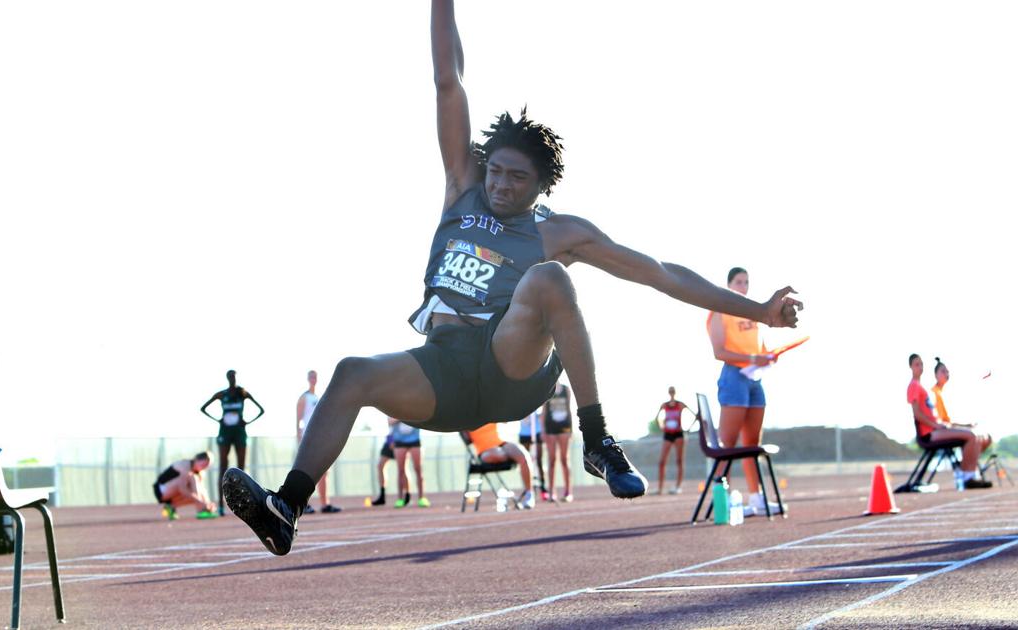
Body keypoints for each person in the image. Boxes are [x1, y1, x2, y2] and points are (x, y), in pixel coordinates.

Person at [221, 0, 802, 556]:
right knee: (351, 373)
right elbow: (448, 80)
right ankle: (286, 510)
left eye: (515, 179)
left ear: (539, 185)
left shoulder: (558, 232)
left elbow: (659, 274)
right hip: (445, 371)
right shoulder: (461, 192)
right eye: (495, 171)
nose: (500, 185)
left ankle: (597, 439)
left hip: (510, 366)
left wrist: (761, 312)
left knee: (550, 279)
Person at [707, 267, 789, 516]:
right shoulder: (719, 311)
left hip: (755, 380)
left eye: (747, 282)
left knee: (752, 444)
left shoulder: (753, 314)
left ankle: (757, 499)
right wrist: (753, 357)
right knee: (728, 445)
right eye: (739, 282)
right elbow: (719, 351)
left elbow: (758, 346)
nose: (744, 287)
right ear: (729, 285)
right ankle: (722, 500)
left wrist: (766, 356)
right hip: (733, 377)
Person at [910, 354, 991, 489]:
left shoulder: (925, 389)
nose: (920, 367)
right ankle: (966, 476)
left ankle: (967, 470)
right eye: (916, 364)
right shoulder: (919, 388)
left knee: (979, 436)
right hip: (930, 433)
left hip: (938, 429)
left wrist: (964, 425)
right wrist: (937, 426)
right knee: (972, 436)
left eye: (921, 364)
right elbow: (918, 414)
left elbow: (944, 420)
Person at [200, 369, 264, 514]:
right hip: (225, 432)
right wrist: (219, 420)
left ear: (236, 378)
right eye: (230, 376)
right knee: (223, 467)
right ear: (227, 378)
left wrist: (247, 422)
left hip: (239, 431)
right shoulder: (222, 394)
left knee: (241, 470)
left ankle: (243, 504)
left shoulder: (243, 393)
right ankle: (221, 505)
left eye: (234, 376)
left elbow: (261, 410)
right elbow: (203, 408)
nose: (232, 379)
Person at [932, 357, 994, 459]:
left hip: (946, 427)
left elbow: (947, 421)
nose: (946, 374)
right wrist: (964, 427)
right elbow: (941, 422)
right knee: (973, 435)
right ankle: (967, 469)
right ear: (935, 375)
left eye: (947, 371)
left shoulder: (941, 393)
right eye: (943, 371)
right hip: (940, 430)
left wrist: (965, 425)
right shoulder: (934, 393)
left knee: (985, 437)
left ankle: (969, 464)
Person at [298, 370, 341, 514]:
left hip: (320, 437)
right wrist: (299, 439)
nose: (313, 379)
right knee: (307, 472)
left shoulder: (319, 397)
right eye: (311, 376)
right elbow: (298, 421)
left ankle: (324, 504)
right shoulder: (304, 397)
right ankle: (304, 504)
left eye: (315, 376)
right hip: (308, 439)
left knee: (324, 472)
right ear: (307, 379)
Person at [468, 423, 536, 509]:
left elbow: (505, 421)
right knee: (499, 454)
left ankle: (529, 494)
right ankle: (506, 495)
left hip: (501, 444)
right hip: (484, 450)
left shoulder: (489, 411)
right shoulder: (467, 418)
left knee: (524, 456)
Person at [654, 386, 695, 495]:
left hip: (678, 434)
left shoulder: (680, 404)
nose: (671, 393)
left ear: (675, 393)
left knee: (679, 460)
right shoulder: (664, 405)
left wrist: (688, 428)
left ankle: (678, 487)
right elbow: (656, 418)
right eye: (670, 391)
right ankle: (660, 488)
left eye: (673, 391)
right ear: (668, 393)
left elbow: (695, 415)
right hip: (668, 434)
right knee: (662, 462)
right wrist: (661, 426)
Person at [153, 452, 217, 520]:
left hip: (175, 494)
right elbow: (182, 489)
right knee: (193, 480)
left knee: (197, 491)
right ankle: (201, 510)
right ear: (197, 460)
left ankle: (170, 507)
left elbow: (202, 490)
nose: (205, 467)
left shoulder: (200, 472)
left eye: (208, 465)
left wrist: (208, 503)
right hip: (162, 490)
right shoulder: (184, 465)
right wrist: (201, 503)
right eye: (205, 464)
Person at [542, 382, 574, 502]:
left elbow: (569, 409)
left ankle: (568, 492)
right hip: (550, 427)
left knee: (564, 459)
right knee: (551, 460)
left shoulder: (566, 390)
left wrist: (571, 429)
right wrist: (543, 430)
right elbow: (544, 411)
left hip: (564, 427)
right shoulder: (547, 388)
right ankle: (551, 492)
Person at [389, 418, 430, 507]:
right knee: (400, 471)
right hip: (399, 442)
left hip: (415, 440)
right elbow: (390, 422)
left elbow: (421, 419)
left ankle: (421, 498)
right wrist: (390, 441)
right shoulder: (394, 409)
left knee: (418, 469)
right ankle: (400, 499)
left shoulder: (413, 407)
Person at [516, 409, 548, 501]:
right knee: (524, 461)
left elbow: (542, 410)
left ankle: (543, 486)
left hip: (536, 431)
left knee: (539, 460)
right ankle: (527, 488)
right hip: (524, 433)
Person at [371, 433, 395, 506]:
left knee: (403, 468)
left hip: (404, 441)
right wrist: (390, 440)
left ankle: (406, 496)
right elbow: (390, 423)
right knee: (380, 466)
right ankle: (382, 496)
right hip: (390, 439)